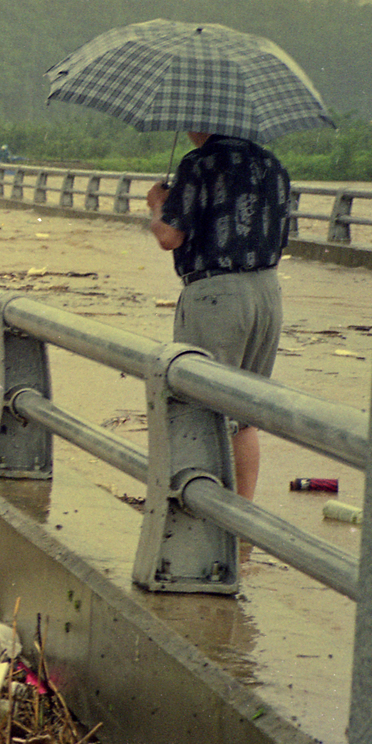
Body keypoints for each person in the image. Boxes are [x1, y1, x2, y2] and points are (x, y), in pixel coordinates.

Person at [144, 131, 291, 501]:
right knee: (245, 415)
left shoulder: (199, 163)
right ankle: (240, 519)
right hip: (268, 292)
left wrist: (157, 205)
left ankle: (202, 515)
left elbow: (169, 237)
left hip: (217, 295)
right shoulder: (273, 164)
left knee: (201, 408)